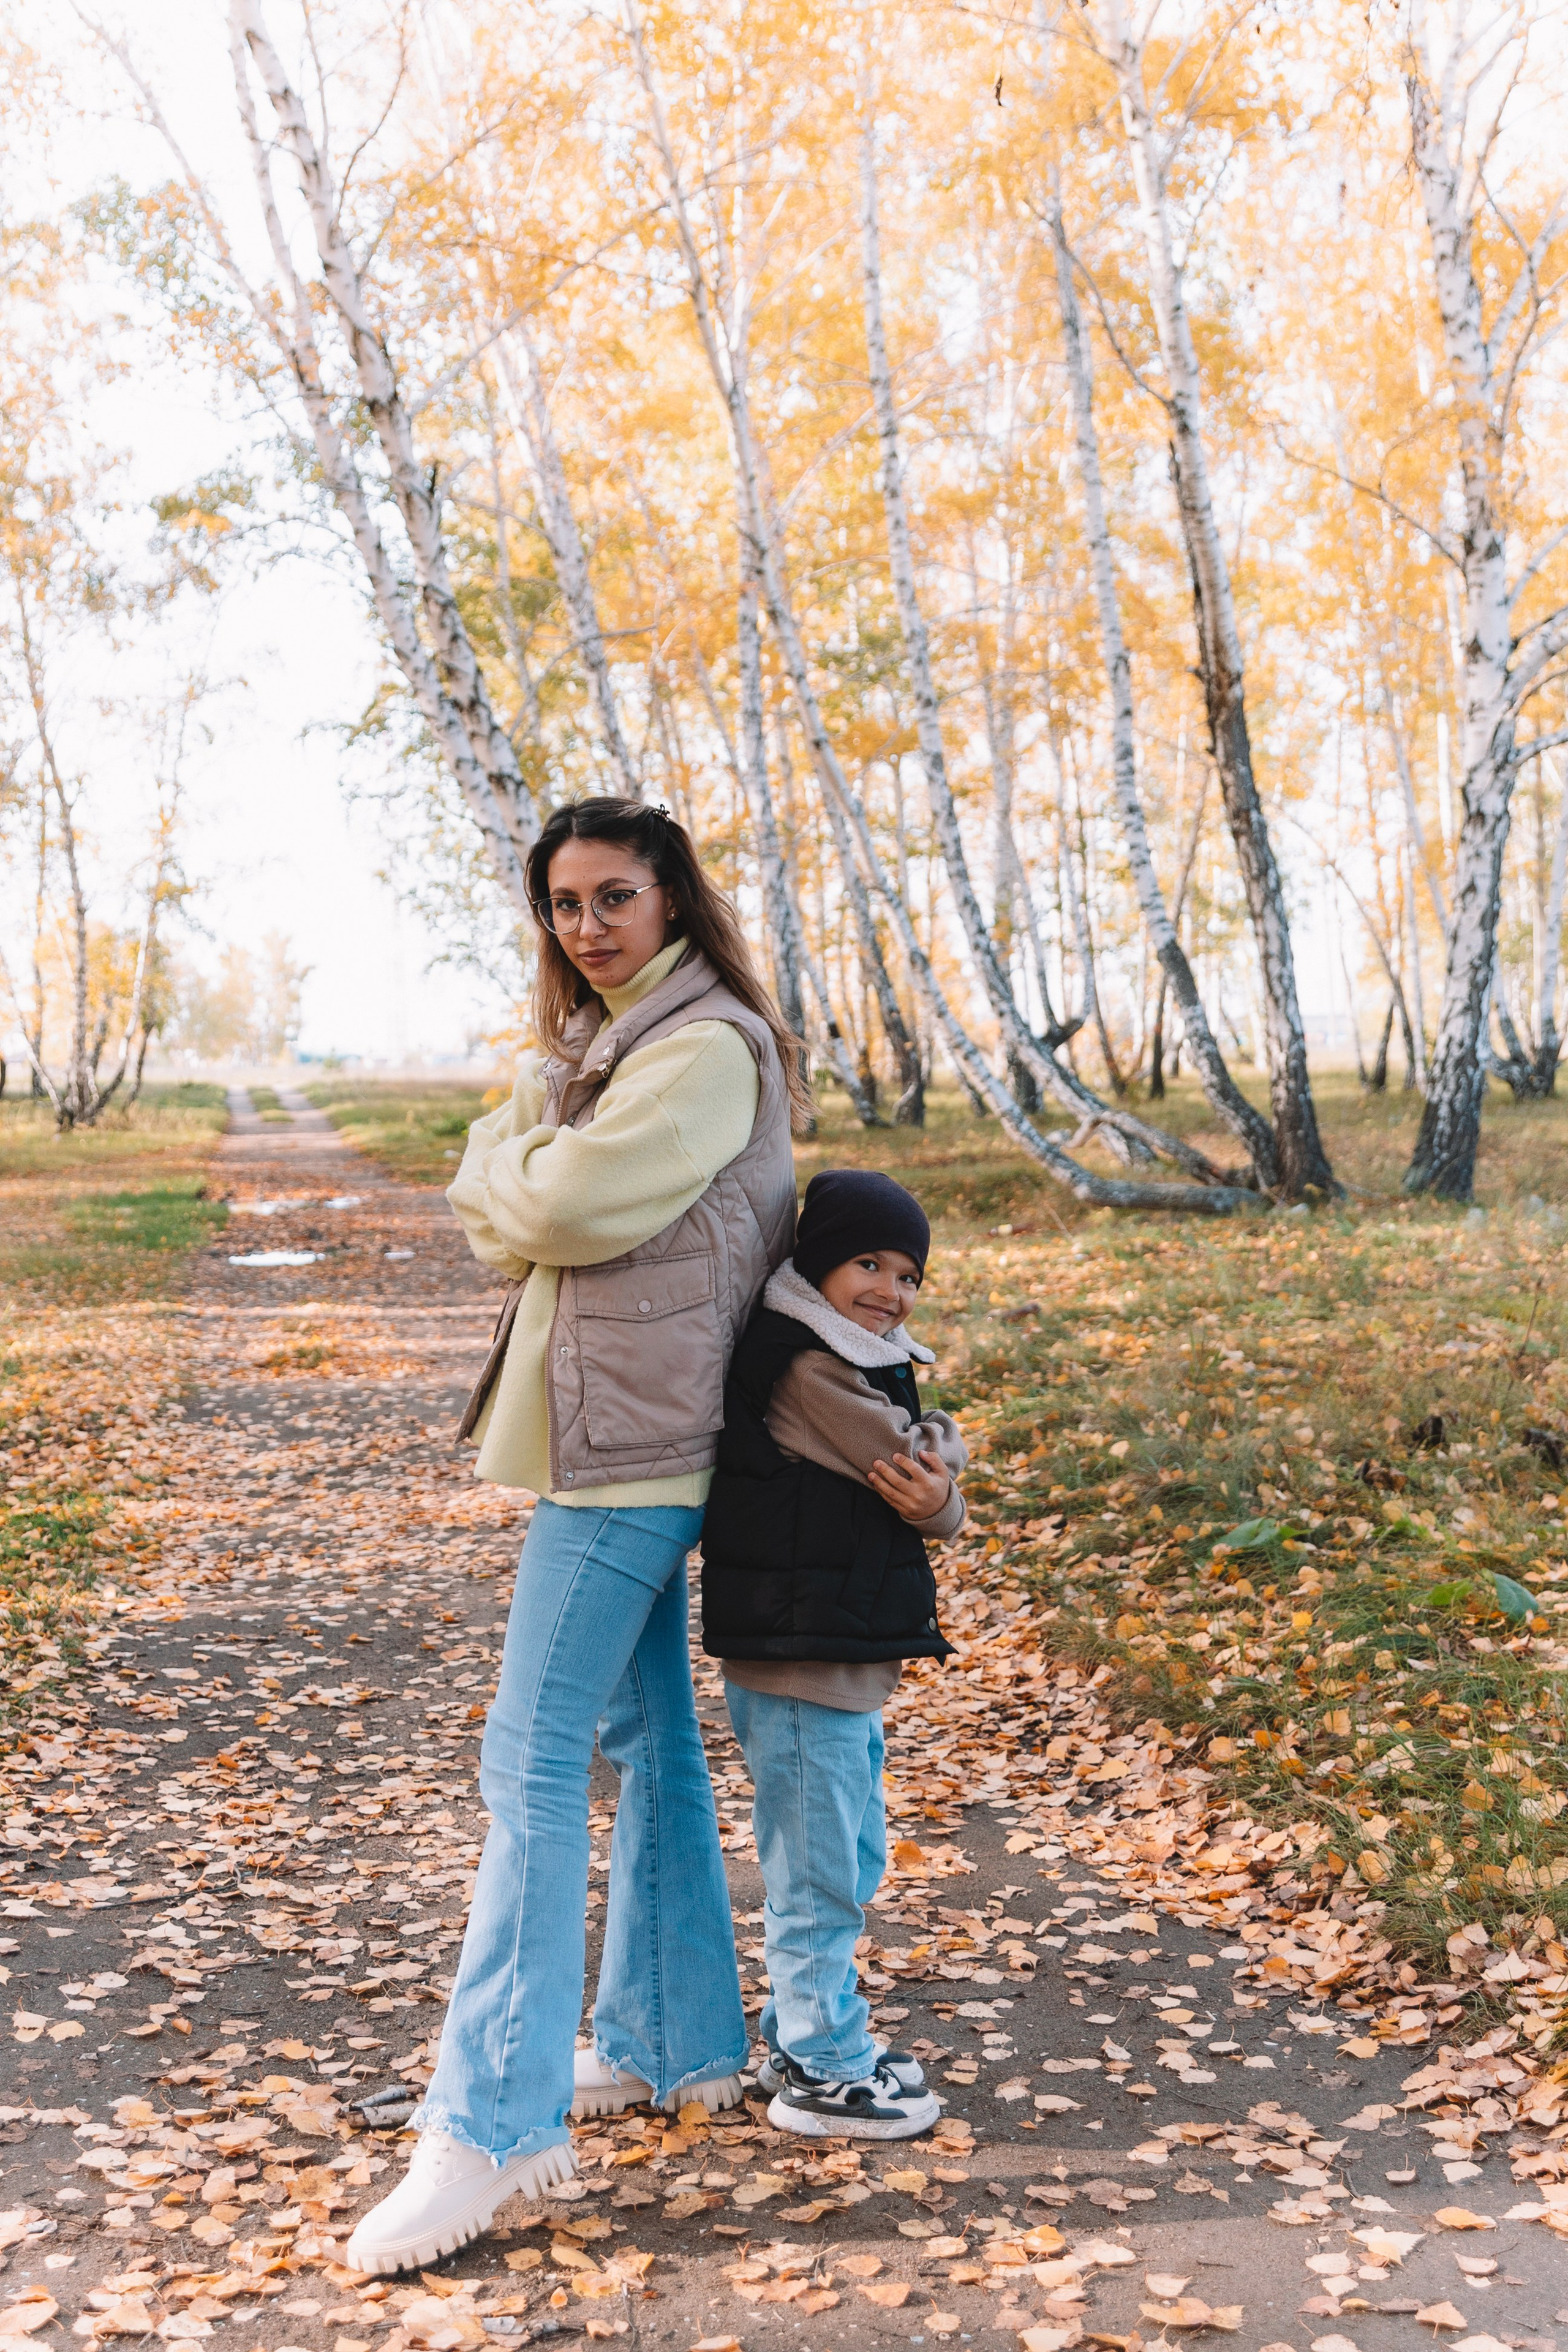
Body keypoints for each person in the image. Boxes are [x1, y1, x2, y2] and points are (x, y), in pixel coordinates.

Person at [347, 798, 807, 2275]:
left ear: (672, 900)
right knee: (639, 1739)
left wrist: (515, 1168)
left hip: (633, 1463)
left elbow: (554, 1200)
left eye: (615, 897)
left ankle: (487, 2128)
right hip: (621, 1442)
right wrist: (519, 1173)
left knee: (525, 1766)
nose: (587, 926)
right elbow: (521, 1201)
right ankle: (667, 2040)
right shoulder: (607, 1048)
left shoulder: (698, 1050)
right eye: (563, 904)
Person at [699, 1168, 967, 2139]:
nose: (891, 1291)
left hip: (835, 1657)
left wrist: (936, 1457)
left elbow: (921, 1449)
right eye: (868, 1263)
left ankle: (800, 2033)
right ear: (817, 1264)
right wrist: (947, 1482)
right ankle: (822, 2062)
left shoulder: (859, 1355)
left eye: (909, 1276)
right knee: (817, 1871)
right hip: (802, 1654)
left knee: (848, 1853)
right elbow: (920, 1472)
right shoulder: (814, 1368)